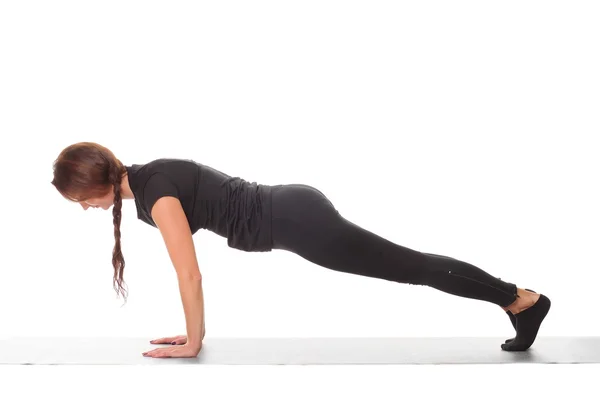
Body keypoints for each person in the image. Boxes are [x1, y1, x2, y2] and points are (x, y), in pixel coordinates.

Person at [51, 142, 551, 358]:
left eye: (79, 200)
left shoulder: (156, 193)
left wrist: (194, 342)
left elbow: (190, 275)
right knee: (409, 265)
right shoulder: (148, 177)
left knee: (412, 267)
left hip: (298, 222)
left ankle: (520, 300)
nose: (83, 209)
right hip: (294, 211)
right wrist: (194, 332)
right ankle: (516, 299)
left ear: (94, 186)